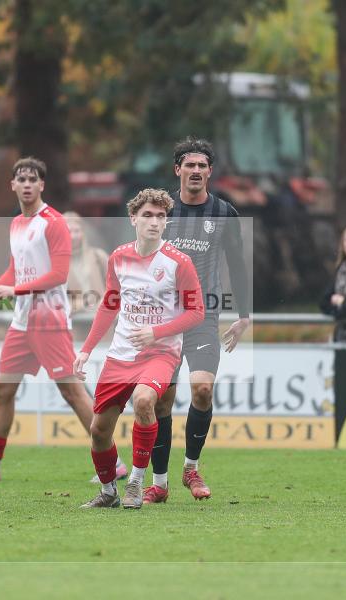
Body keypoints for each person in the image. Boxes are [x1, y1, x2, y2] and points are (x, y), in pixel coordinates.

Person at [0, 157, 122, 481]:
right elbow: (16, 271)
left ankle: (114, 464)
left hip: (50, 321)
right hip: (22, 322)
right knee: (2, 389)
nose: (27, 184)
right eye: (21, 179)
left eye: (33, 179)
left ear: (42, 185)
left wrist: (12, 290)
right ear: (12, 185)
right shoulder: (17, 224)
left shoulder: (53, 222)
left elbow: (57, 274)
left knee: (72, 393)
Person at [75, 188, 204, 509]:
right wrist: (86, 350)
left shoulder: (179, 262)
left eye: (161, 216)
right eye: (147, 215)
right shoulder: (119, 257)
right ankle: (108, 491)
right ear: (133, 219)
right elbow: (109, 304)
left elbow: (196, 311)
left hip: (161, 353)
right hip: (120, 355)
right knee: (99, 430)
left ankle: (136, 480)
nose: (154, 222)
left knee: (144, 400)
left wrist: (156, 332)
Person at [142, 137, 251, 504]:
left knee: (202, 390)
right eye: (189, 165)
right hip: (161, 320)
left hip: (203, 318)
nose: (196, 171)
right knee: (161, 403)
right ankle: (160, 482)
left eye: (202, 165)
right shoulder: (160, 212)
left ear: (209, 172)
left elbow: (237, 263)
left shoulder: (224, 213)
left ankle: (190, 467)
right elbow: (140, 263)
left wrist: (244, 315)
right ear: (177, 170)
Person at [63, 211, 108, 314]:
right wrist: (83, 304)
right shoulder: (56, 263)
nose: (73, 236)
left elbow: (117, 287)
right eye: (69, 231)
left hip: (101, 323)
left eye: (77, 231)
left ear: (83, 232)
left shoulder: (98, 256)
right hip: (76, 325)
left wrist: (106, 300)